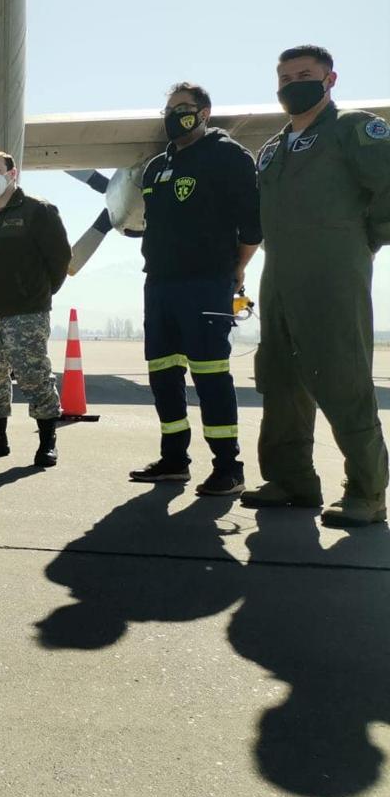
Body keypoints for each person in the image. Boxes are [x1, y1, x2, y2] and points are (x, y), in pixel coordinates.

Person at [242, 45, 390, 526]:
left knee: (343, 377)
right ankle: (292, 480)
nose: (291, 85)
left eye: (304, 75)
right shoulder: (274, 146)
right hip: (279, 277)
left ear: (330, 80)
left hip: (333, 274)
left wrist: (365, 240)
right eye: (284, 78)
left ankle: (367, 492)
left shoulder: (353, 130)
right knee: (280, 379)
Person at [127, 83, 262, 496]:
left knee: (210, 374)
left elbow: (252, 225)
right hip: (161, 285)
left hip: (207, 284)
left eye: (183, 108)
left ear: (205, 113)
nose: (174, 115)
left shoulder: (228, 156)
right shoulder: (155, 168)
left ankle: (228, 467)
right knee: (163, 375)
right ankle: (174, 460)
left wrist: (236, 269)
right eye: (169, 109)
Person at [0, 150, 71, 467]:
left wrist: (36, 294)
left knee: (33, 374)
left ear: (13, 173)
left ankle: (47, 438)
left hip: (26, 311)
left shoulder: (39, 211)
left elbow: (59, 260)